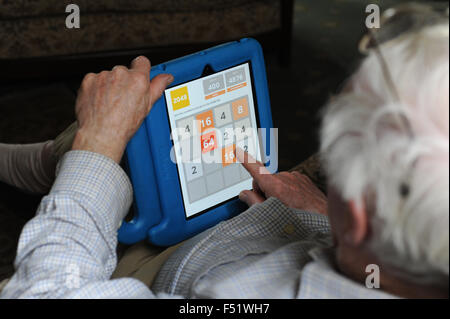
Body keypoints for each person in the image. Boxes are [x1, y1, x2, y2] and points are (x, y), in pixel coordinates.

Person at [0, 4, 448, 298]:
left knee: (110, 132)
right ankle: (44, 165)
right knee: (142, 130)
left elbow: (45, 290)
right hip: (261, 239)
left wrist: (96, 148)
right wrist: (330, 225)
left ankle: (48, 167)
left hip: (158, 278)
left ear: (360, 211)